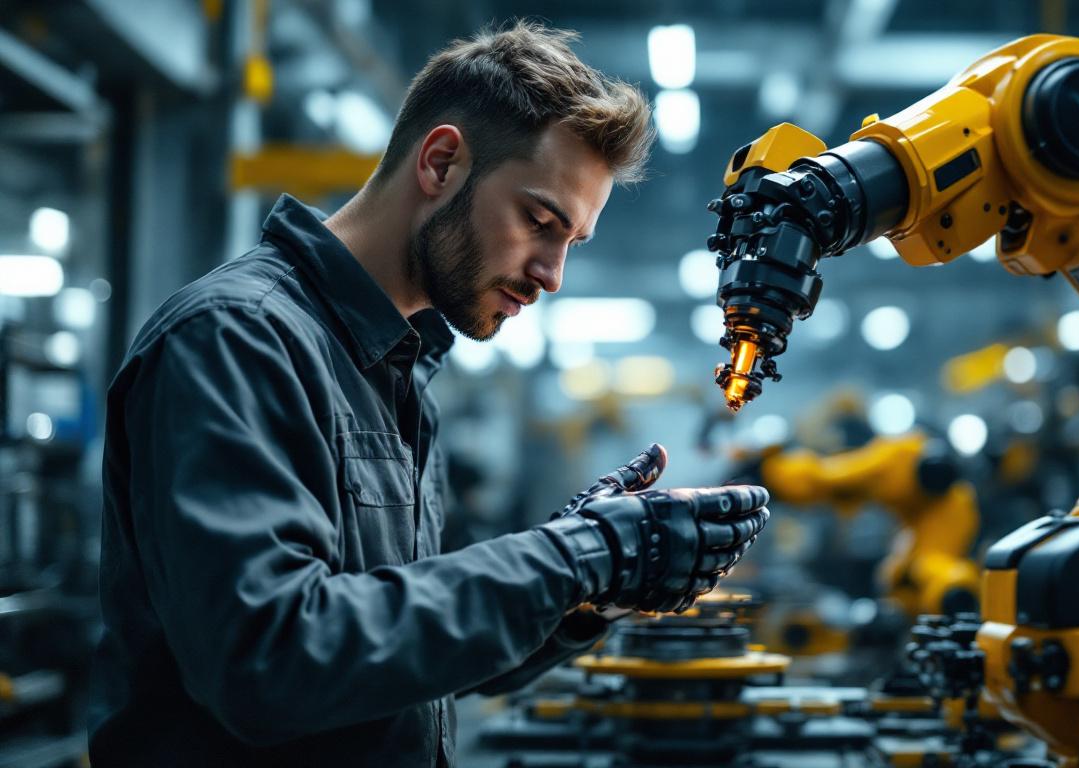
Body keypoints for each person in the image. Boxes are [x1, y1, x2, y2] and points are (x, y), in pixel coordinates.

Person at [89, 20, 770, 767]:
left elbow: (404, 652)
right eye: (539, 222)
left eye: (570, 242)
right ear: (441, 162)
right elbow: (271, 660)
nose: (552, 275)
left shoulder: (398, 370)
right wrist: (574, 555)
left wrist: (592, 585)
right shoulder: (237, 339)